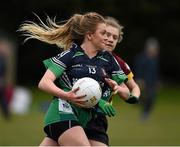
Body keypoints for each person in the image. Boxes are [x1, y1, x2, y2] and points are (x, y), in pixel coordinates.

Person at [19, 12, 130, 146]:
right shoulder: (70, 55)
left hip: (85, 119)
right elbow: (44, 83)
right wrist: (67, 95)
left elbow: (127, 92)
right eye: (103, 33)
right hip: (62, 113)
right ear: (89, 35)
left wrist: (117, 88)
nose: (108, 38)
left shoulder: (109, 59)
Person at [83, 16, 141, 146]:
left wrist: (132, 96)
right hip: (75, 111)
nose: (110, 39)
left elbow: (133, 88)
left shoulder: (118, 63)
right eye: (107, 34)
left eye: (115, 37)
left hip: (97, 118)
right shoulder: (81, 54)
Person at [134, 37, 160, 120]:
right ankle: (142, 108)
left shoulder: (155, 60)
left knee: (151, 98)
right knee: (144, 97)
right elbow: (138, 69)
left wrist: (157, 82)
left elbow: (156, 72)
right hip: (143, 82)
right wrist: (139, 79)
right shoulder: (142, 59)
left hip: (152, 83)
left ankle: (145, 113)